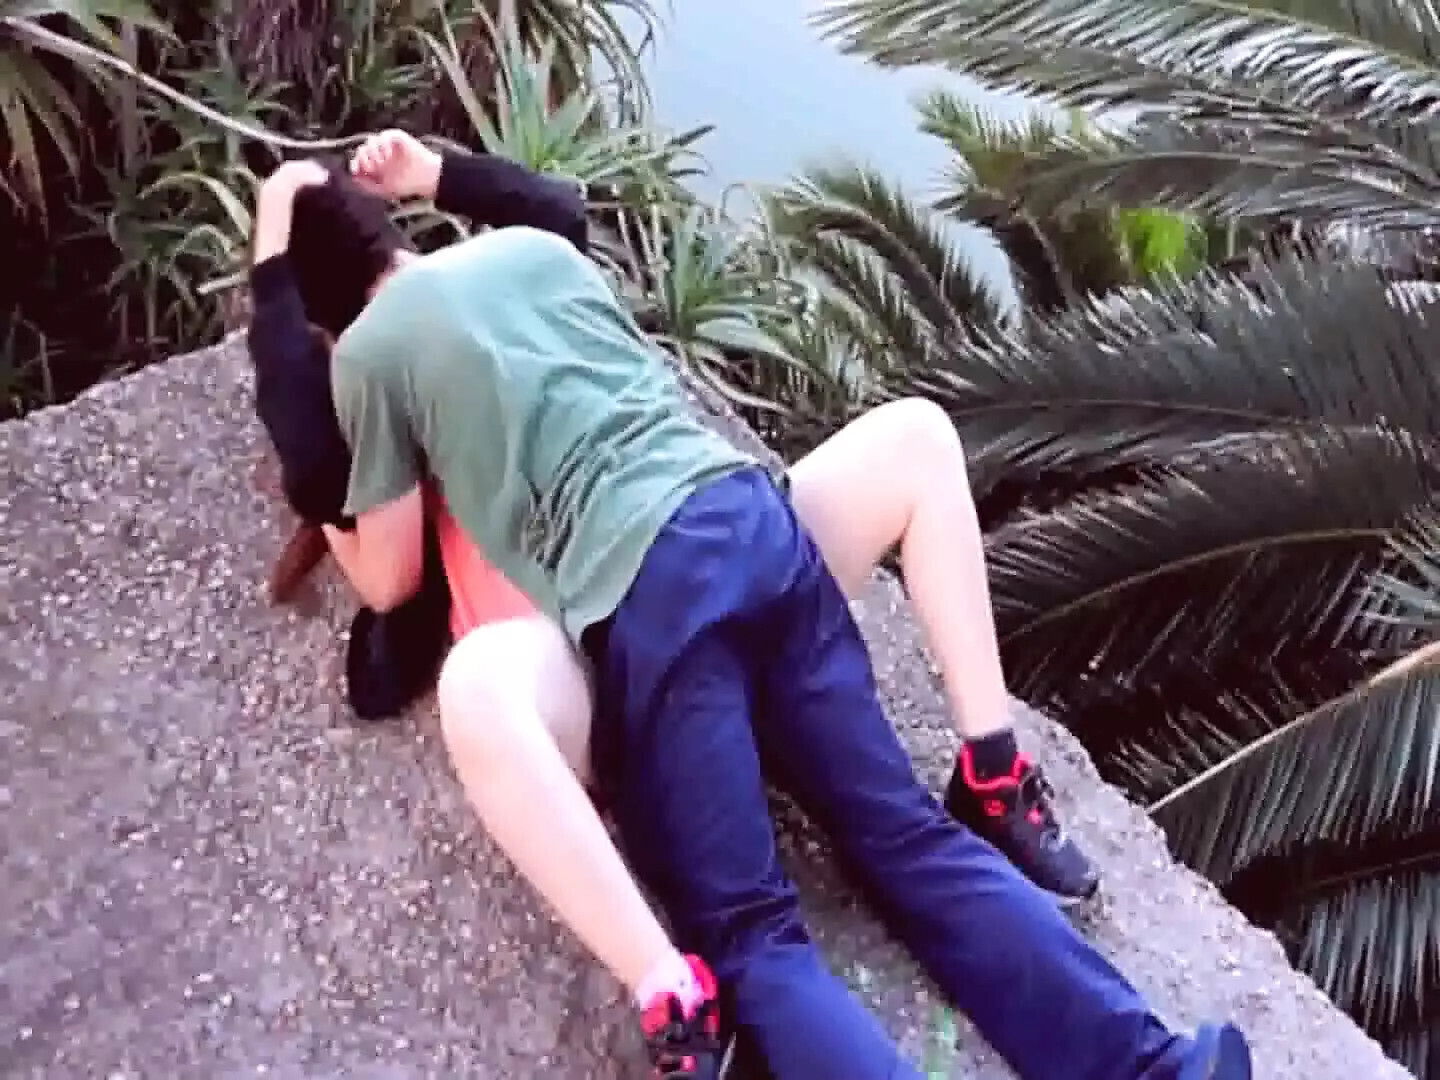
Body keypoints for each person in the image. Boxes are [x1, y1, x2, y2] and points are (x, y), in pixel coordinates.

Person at [247, 134, 1253, 1080]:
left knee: (753, 937)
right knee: (910, 839)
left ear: (320, 313)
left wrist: (270, 274)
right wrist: (434, 173)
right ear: (389, 228)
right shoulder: (525, 256)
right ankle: (1153, 1066)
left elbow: (387, 580)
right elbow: (556, 204)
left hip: (654, 600)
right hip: (755, 527)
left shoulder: (371, 356)